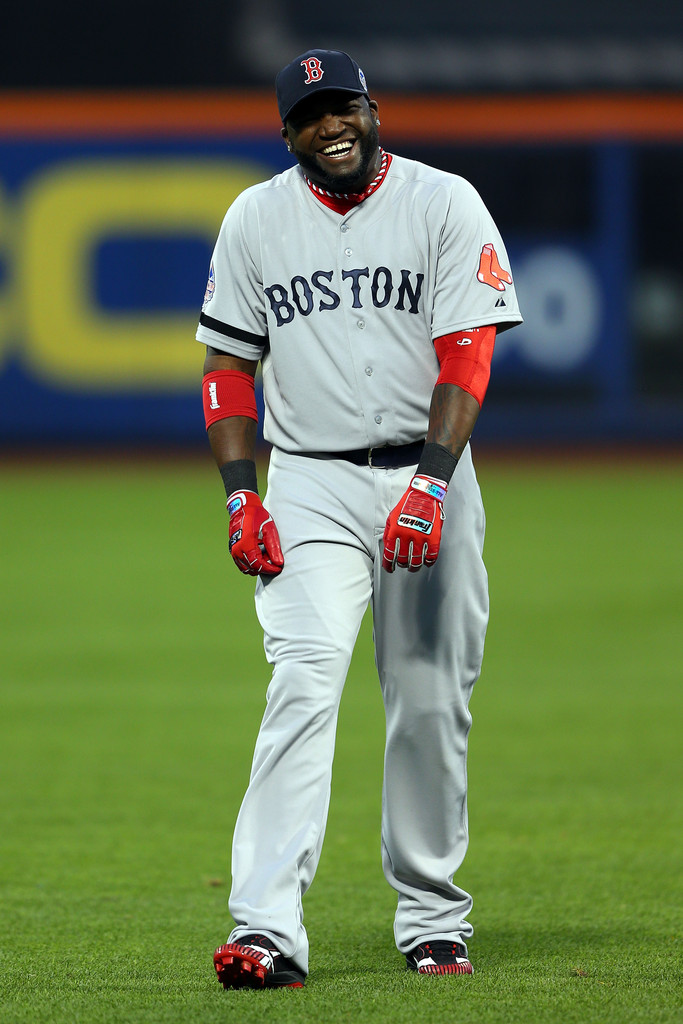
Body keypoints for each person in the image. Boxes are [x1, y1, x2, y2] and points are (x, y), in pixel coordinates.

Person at [197, 48, 522, 990]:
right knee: (301, 683)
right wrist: (238, 494)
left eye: (343, 107)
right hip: (308, 483)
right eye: (310, 115)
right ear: (288, 131)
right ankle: (264, 929)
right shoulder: (255, 218)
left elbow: (467, 352)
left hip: (431, 473)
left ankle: (430, 917)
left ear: (371, 109)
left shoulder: (441, 201)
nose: (330, 125)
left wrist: (430, 483)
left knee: (427, 698)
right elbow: (226, 367)